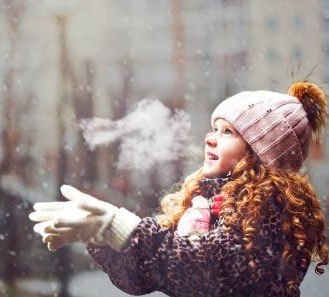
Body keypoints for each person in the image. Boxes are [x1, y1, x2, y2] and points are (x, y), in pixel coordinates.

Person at [29, 81, 328, 297]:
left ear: (260, 152)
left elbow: (212, 267)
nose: (210, 139)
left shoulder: (270, 204)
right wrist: (103, 237)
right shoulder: (208, 202)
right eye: (213, 128)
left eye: (228, 132)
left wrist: (125, 229)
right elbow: (146, 276)